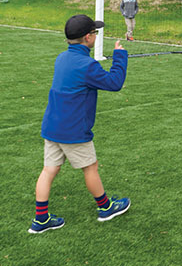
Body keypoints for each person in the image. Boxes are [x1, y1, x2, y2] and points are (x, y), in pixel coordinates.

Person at [28, 14, 130, 234]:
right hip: (73, 130)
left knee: (49, 170)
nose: (95, 35)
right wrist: (120, 56)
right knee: (90, 167)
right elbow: (114, 83)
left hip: (52, 126)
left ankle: (41, 219)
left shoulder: (61, 58)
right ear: (88, 37)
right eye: (94, 32)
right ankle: (106, 208)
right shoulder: (87, 65)